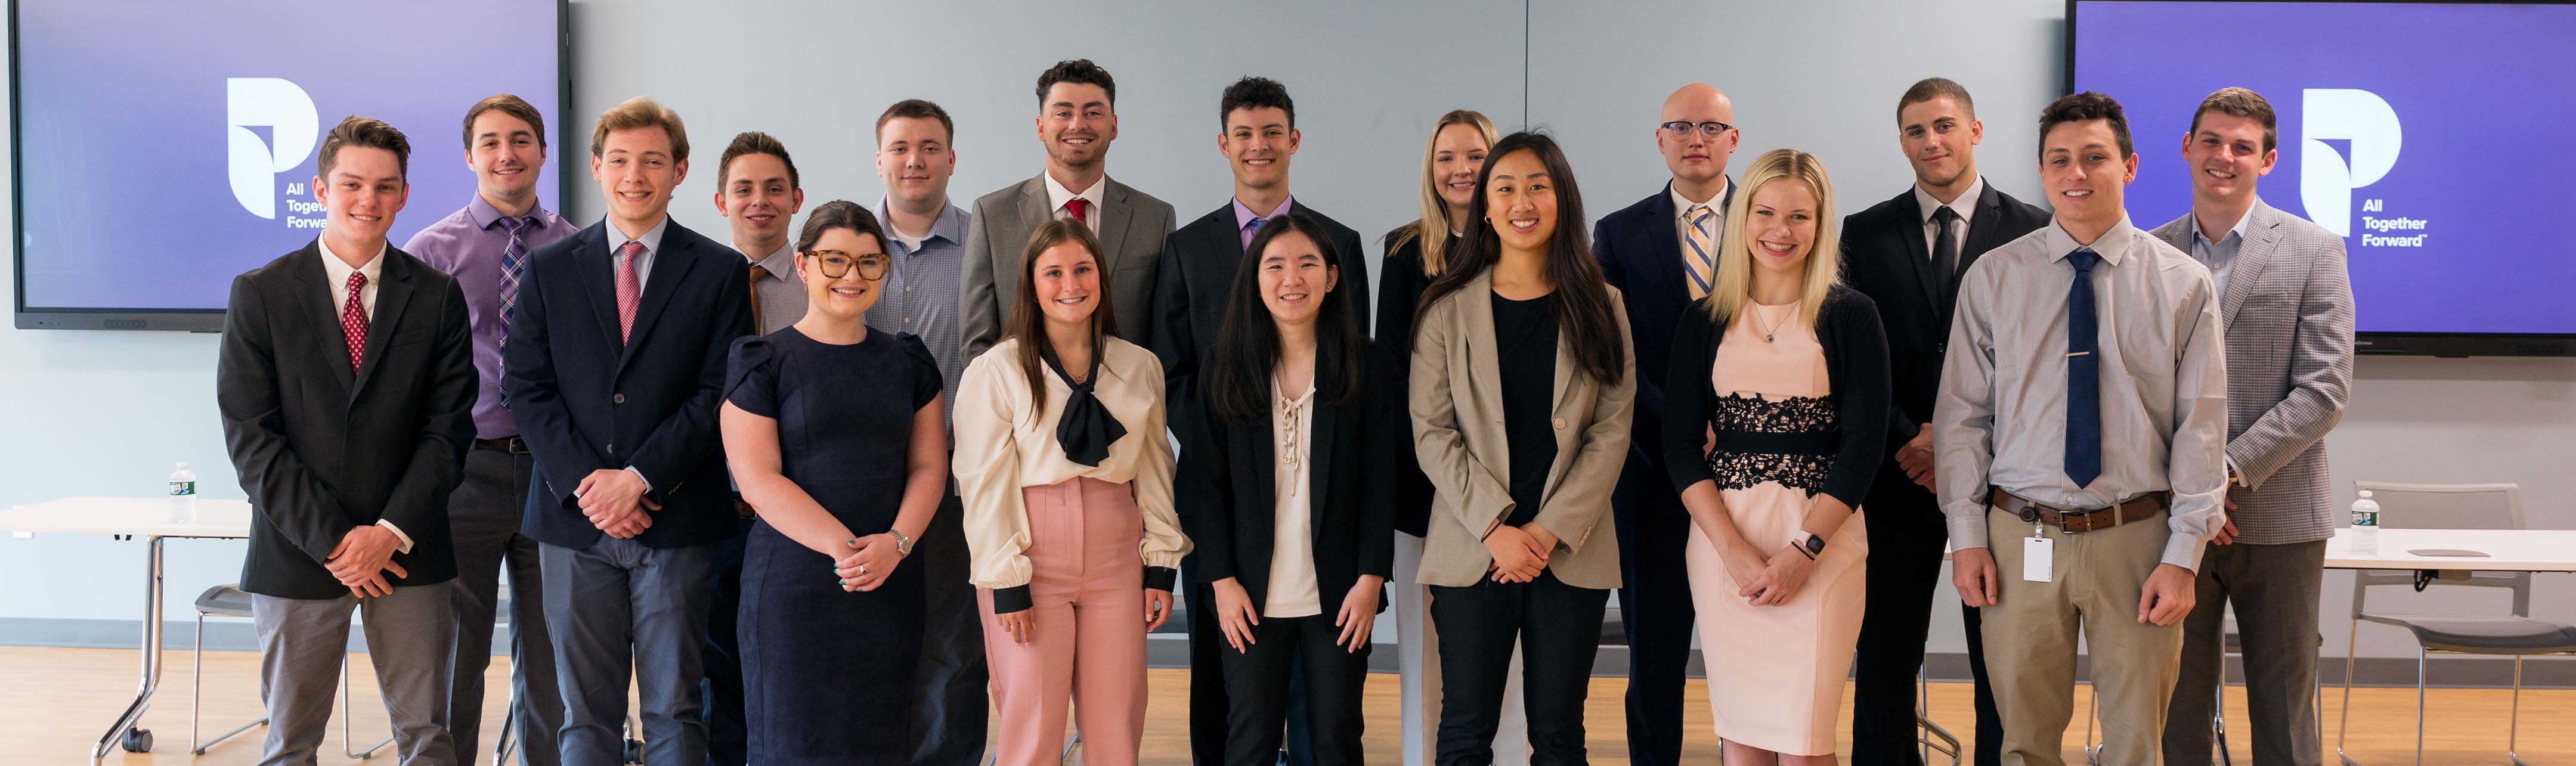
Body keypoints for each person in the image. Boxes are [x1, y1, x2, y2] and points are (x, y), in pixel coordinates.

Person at [1935, 91, 2228, 766]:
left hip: (2138, 541)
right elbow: (1962, 418)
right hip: (2018, 537)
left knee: (2135, 745)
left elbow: (2202, 429)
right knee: (2025, 742)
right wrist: (1966, 538)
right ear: (2041, 172)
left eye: (2095, 157)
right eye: (2059, 160)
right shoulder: (1994, 279)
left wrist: (2183, 556)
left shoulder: (2183, 284)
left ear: (2128, 166)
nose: (2077, 173)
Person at [217, 115, 475, 765]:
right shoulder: (261, 293)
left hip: (408, 550)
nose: (369, 200)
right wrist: (337, 541)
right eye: (353, 184)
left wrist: (388, 531)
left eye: (386, 187)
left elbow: (449, 431)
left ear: (405, 196)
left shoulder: (438, 296)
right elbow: (252, 439)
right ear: (320, 189)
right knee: (290, 745)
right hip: (299, 551)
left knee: (427, 738)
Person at [504, 97, 753, 766]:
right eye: (619, 160)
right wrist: (594, 487)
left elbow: (718, 392)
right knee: (584, 714)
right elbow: (525, 386)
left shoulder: (719, 270)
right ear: (596, 167)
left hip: (676, 519)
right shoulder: (551, 268)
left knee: (676, 706)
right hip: (574, 521)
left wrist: (640, 479)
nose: (634, 175)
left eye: (652, 161)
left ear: (680, 171)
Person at [1145, 75, 1370, 766]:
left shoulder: (1339, 241)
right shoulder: (1187, 248)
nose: (1259, 145)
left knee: (1325, 709)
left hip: (1320, 504)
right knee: (1227, 686)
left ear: (1293, 141)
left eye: (1272, 132)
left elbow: (1356, 382)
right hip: (1226, 494)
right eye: (1244, 134)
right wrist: (1231, 422)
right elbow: (1169, 366)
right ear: (1224, 145)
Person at [1837, 77, 2051, 766]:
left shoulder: (2033, 229)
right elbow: (1849, 359)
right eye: (1916, 131)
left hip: (1996, 480)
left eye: (1945, 126)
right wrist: (1913, 436)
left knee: (1999, 649)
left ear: (1976, 131)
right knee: (1887, 650)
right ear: (1902, 141)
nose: (1932, 141)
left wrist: (1962, 446)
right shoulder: (1864, 233)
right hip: (1896, 473)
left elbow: (2040, 365)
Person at [1410, 131, 1634, 766]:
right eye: (1505, 188)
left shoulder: (1602, 305)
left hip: (1570, 550)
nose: (1522, 201)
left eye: (1538, 185)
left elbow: (1612, 427)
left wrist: (1545, 531)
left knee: (1561, 734)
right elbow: (1432, 432)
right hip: (1472, 548)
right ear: (1485, 206)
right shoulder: (1445, 311)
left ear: (1562, 198)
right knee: (1464, 729)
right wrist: (1496, 528)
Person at [1662, 148, 1888, 764]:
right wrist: (1732, 552)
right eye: (1765, 212)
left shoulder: (1851, 316)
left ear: (1821, 225)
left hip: (1824, 545)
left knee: (1805, 742)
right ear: (1744, 219)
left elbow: (1863, 448)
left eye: (1799, 217)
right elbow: (1680, 446)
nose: (1780, 231)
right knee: (1742, 735)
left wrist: (1803, 552)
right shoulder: (1704, 319)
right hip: (1722, 548)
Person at [2150, 87, 2354, 766]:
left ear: (2268, 161)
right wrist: (2192, 494)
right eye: (2211, 140)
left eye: (2242, 146)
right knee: (2175, 704)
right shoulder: (2148, 253)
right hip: (2175, 522)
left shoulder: (2316, 249)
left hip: (2279, 516)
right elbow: (2135, 396)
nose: (2224, 156)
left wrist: (2221, 476)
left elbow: (2324, 389)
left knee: (2284, 707)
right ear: (2187, 148)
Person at [953, 219, 1189, 766]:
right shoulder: (996, 371)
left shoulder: (1139, 366)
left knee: (1116, 724)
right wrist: (1006, 580)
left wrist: (1160, 567)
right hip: (1031, 554)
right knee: (1031, 725)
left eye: (1083, 269)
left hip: (1116, 554)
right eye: (1053, 272)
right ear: (1031, 285)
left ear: (1101, 279)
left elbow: (1155, 467)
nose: (1070, 284)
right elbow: (983, 483)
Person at [720, 201, 948, 765]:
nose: (853, 276)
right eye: (836, 260)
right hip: (795, 588)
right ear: (802, 265)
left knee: (882, 741)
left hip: (890, 579)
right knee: (792, 744)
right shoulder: (761, 359)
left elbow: (929, 466)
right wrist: (847, 551)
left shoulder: (909, 361)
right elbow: (758, 479)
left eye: (870, 262)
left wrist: (894, 545)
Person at [1175, 212, 1399, 766]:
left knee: (1335, 738)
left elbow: (1382, 478)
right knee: (1248, 740)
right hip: (1247, 594)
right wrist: (1221, 582)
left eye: (1306, 264)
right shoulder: (1224, 366)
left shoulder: (1367, 365)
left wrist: (1372, 578)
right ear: (1255, 280)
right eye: (1274, 265)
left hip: (1341, 593)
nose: (1291, 278)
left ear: (1332, 276)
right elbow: (1201, 484)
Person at [405, 93, 580, 766]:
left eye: (520, 139)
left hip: (552, 474)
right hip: (463, 475)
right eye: (490, 141)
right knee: (454, 656)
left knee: (552, 657)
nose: (506, 153)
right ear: (470, 155)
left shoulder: (576, 247)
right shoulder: (431, 250)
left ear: (542, 150)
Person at [1377, 108, 1538, 766]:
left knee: (1511, 663)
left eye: (1476, 155)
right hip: (1427, 489)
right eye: (1448, 157)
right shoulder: (1402, 251)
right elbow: (1392, 379)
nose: (1462, 169)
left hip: (1513, 493)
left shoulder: (1530, 249)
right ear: (1431, 167)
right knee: (1425, 656)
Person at [1588, 82, 1738, 765]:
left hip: (1757, 467)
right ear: (1660, 140)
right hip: (1651, 470)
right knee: (1655, 646)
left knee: (1755, 636)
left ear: (1734, 141)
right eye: (1680, 126)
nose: (1695, 138)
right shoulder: (1618, 233)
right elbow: (1611, 355)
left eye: (1711, 126)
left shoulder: (1770, 219)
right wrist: (1678, 428)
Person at [866, 98, 990, 766]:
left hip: (960, 479)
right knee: (869, 639)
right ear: (878, 159)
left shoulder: (986, 243)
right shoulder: (847, 245)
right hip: (861, 479)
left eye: (930, 147)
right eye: (901, 147)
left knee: (955, 645)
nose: (915, 160)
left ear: (951, 157)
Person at [961, 59, 1176, 359]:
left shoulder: (1155, 218)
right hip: (1025, 401)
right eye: (1063, 113)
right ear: (1041, 127)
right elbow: (977, 343)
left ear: (1114, 126)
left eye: (1093, 113)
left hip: (1126, 400)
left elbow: (1168, 340)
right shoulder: (992, 215)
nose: (1078, 124)